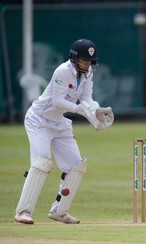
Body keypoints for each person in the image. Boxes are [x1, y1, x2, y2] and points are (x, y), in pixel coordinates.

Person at [14, 39, 114, 224]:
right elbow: (57, 101)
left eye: (90, 61)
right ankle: (23, 212)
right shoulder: (62, 71)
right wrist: (80, 110)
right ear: (74, 58)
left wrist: (96, 111)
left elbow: (86, 97)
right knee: (42, 163)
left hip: (59, 123)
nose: (87, 64)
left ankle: (59, 212)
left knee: (76, 166)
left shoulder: (88, 72)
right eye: (84, 60)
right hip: (39, 121)